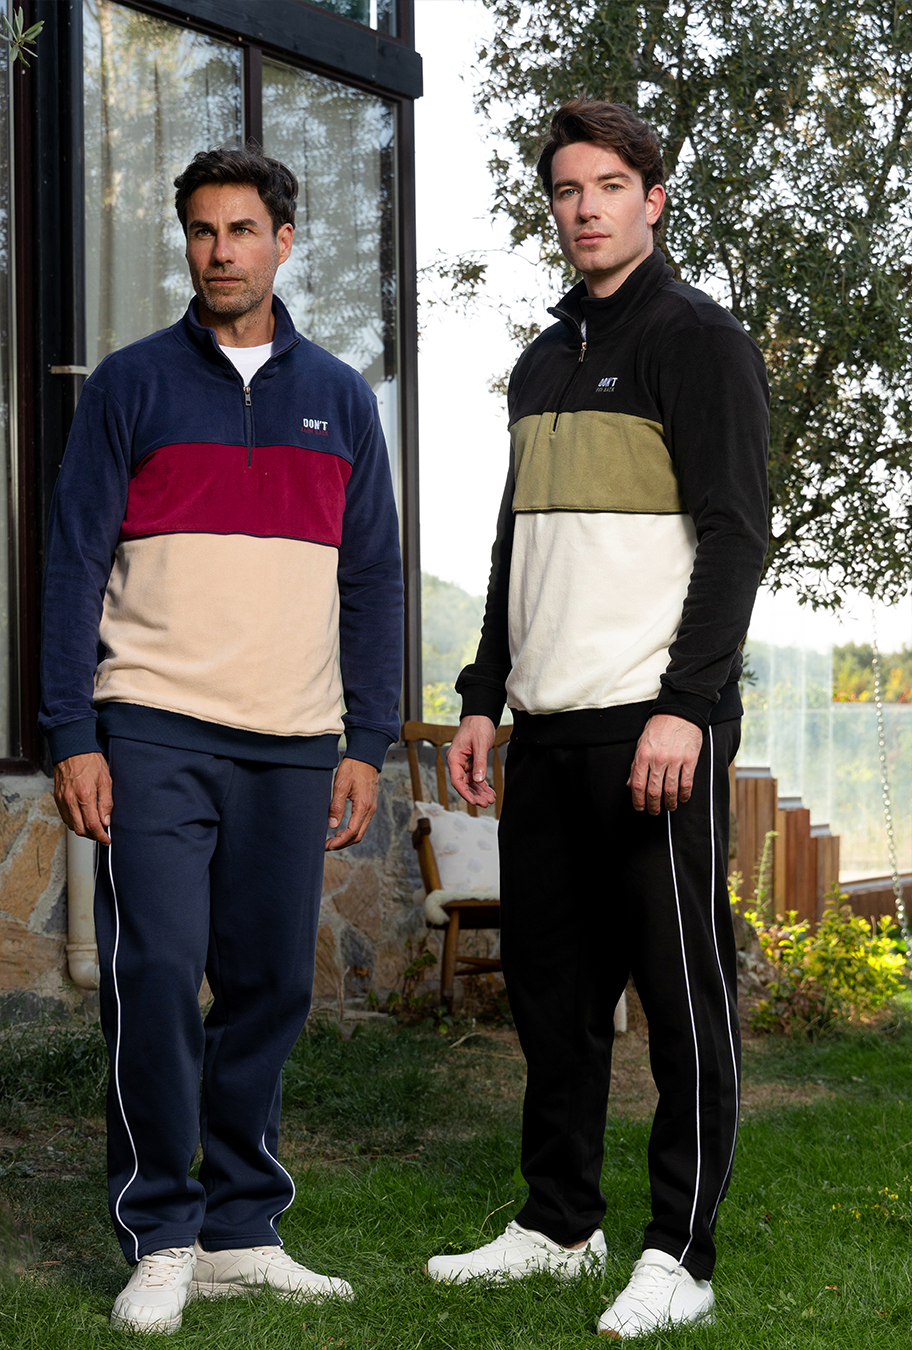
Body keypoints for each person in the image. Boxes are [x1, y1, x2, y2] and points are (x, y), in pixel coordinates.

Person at [39, 146, 404, 1335]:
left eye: (242, 230)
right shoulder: (130, 386)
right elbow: (73, 564)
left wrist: (366, 739)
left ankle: (243, 1229)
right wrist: (72, 733)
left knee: (271, 984)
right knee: (153, 972)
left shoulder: (343, 399)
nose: (220, 252)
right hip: (150, 727)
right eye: (202, 231)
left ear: (283, 242)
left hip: (293, 740)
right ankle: (162, 1231)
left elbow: (375, 581)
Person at [427, 100, 769, 1340]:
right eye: (568, 190)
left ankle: (683, 1255)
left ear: (652, 200)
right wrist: (482, 697)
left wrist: (688, 708)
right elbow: (516, 544)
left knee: (682, 999)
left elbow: (736, 534)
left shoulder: (697, 340)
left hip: (653, 728)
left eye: (610, 186)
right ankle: (561, 1225)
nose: (586, 209)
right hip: (548, 726)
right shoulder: (541, 358)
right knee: (552, 995)